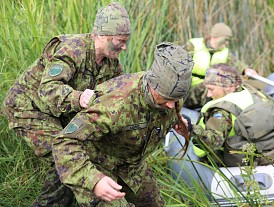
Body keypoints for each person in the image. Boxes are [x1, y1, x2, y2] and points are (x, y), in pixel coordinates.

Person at [1, 2, 131, 206]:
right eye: (120, 41)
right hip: (27, 108)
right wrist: (78, 98)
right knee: (63, 154)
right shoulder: (73, 49)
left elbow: (121, 95)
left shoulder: (111, 63)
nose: (124, 47)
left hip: (56, 112)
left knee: (83, 150)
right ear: (103, 35)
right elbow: (48, 89)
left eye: (126, 41)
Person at [52, 42, 194, 207]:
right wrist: (94, 181)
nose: (171, 105)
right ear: (151, 85)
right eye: (166, 98)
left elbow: (164, 111)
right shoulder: (115, 104)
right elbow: (64, 142)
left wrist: (176, 120)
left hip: (132, 164)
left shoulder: (172, 93)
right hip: (97, 164)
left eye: (175, 100)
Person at [191, 64, 274, 167]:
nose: (209, 94)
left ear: (229, 87)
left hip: (237, 159)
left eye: (211, 89)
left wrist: (191, 129)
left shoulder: (222, 111)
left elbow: (214, 142)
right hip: (265, 149)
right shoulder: (252, 92)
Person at [183, 22, 259, 109]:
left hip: (213, 86)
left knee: (233, 86)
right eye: (225, 40)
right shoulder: (193, 46)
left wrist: (246, 69)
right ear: (215, 37)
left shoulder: (225, 52)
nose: (226, 43)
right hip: (190, 89)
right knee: (211, 88)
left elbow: (237, 63)